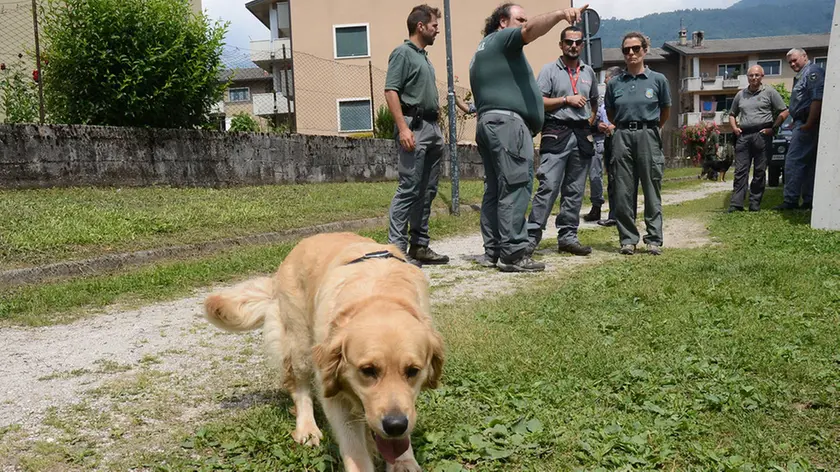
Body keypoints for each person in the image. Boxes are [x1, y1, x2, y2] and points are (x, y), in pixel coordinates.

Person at [469, 2, 588, 272]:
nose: (524, 23)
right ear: (502, 22)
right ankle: (512, 254)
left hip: (489, 123)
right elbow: (530, 31)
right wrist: (560, 15)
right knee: (516, 185)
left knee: (496, 190)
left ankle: (494, 251)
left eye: (524, 19)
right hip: (508, 125)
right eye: (519, 19)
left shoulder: (483, 50)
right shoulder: (503, 39)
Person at [525, 25, 599, 257]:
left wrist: (590, 120)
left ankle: (568, 237)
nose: (573, 46)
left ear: (582, 45)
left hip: (581, 134)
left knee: (575, 190)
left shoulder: (589, 72)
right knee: (548, 187)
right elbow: (539, 101)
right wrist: (566, 99)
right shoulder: (549, 70)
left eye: (577, 42)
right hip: (556, 132)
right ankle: (531, 237)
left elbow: (594, 102)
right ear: (561, 45)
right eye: (569, 42)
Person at [384, 5, 450, 266]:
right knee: (409, 188)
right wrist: (403, 128)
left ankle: (419, 246)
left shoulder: (423, 57)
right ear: (420, 26)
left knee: (428, 190)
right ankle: (396, 250)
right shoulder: (402, 53)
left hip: (432, 128)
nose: (437, 31)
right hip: (415, 127)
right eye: (434, 26)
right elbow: (391, 91)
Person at [604, 32, 671, 256]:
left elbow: (665, 112)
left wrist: (648, 129)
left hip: (648, 135)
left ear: (644, 50)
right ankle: (628, 239)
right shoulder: (615, 83)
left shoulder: (658, 80)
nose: (631, 53)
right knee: (623, 190)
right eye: (626, 50)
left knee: (652, 187)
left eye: (635, 48)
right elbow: (611, 114)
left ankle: (653, 239)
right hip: (622, 135)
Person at [727, 64, 788, 212]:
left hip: (762, 135)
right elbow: (732, 114)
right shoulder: (740, 95)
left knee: (760, 170)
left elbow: (784, 111)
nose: (754, 78)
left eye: (756, 75)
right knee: (741, 170)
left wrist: (773, 128)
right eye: (751, 75)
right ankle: (737, 203)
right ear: (747, 77)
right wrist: (735, 128)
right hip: (744, 136)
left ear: (762, 76)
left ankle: (754, 203)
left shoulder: (770, 92)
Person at [773, 47, 824, 210]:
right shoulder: (803, 74)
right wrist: (797, 119)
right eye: (790, 62)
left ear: (805, 56)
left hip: (809, 125)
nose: (792, 64)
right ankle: (808, 200)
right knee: (808, 164)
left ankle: (791, 200)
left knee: (793, 161)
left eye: (795, 60)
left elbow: (817, 99)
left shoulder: (812, 72)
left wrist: (808, 123)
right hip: (802, 122)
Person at [595, 65, 623, 227]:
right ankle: (613, 215)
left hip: (619, 139)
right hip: (607, 140)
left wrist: (614, 126)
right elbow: (600, 116)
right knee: (611, 178)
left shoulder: (622, 96)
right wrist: (600, 125)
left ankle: (624, 215)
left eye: (607, 77)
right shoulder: (605, 99)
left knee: (620, 178)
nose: (604, 80)